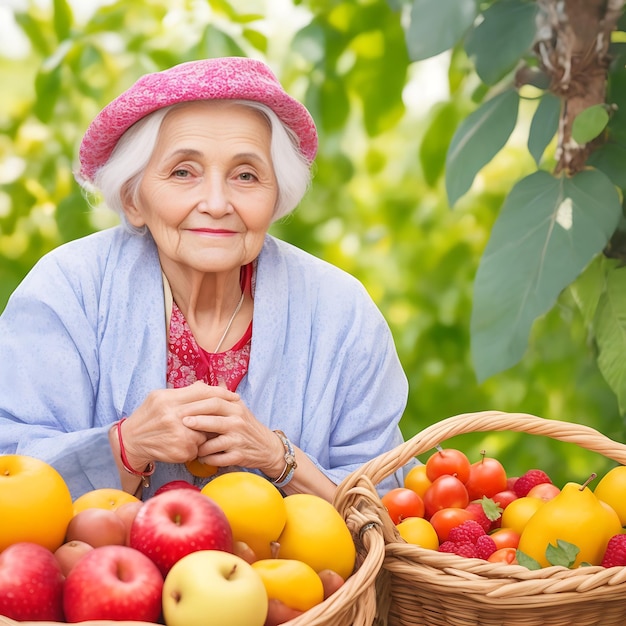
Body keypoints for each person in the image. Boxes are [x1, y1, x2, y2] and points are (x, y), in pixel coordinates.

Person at [0, 56, 408, 503]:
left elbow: (391, 503)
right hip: (85, 571)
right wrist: (125, 446)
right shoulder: (68, 288)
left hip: (304, 575)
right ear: (134, 199)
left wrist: (279, 459)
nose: (216, 202)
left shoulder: (341, 311)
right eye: (183, 172)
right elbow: (10, 465)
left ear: (276, 200)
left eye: (246, 175)